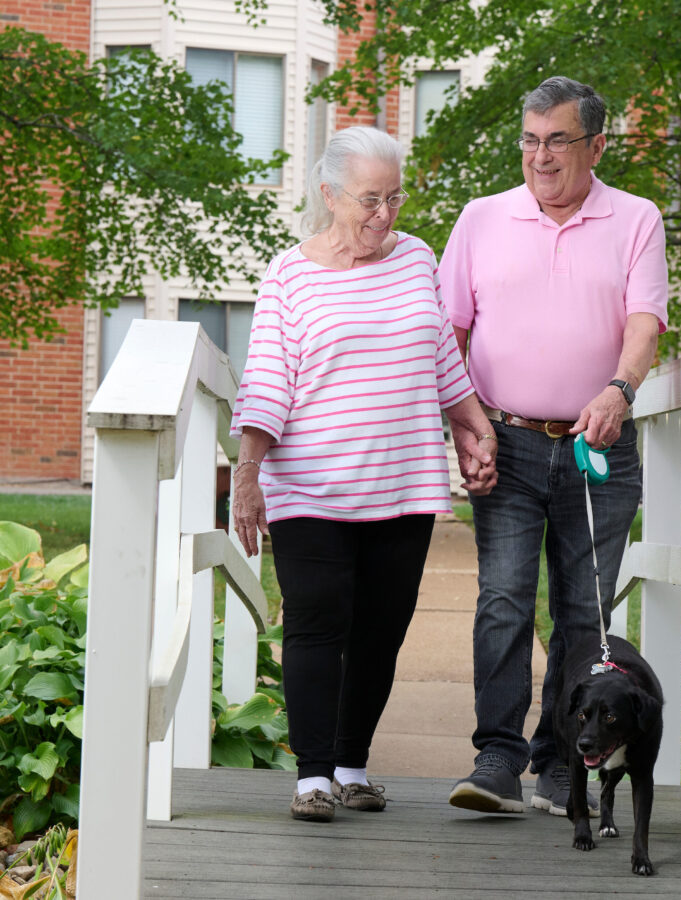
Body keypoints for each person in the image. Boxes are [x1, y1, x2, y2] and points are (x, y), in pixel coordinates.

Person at [230, 125, 498, 823]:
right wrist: (248, 474)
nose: (386, 215)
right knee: (316, 626)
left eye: (396, 198)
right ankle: (313, 777)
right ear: (329, 194)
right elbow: (265, 381)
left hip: (402, 485)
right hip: (311, 488)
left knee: (381, 630)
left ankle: (352, 766)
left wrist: (474, 423)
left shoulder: (415, 258)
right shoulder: (289, 274)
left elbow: (440, 354)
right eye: (370, 200)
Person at [439, 77, 668, 815]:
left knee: (583, 615)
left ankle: (563, 761)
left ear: (596, 145)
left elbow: (644, 323)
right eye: (531, 140)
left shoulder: (636, 219)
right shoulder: (481, 219)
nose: (541, 156)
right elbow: (450, 337)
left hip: (598, 445)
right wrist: (464, 426)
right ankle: (497, 757)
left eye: (558, 141)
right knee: (503, 600)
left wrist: (619, 389)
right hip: (505, 438)